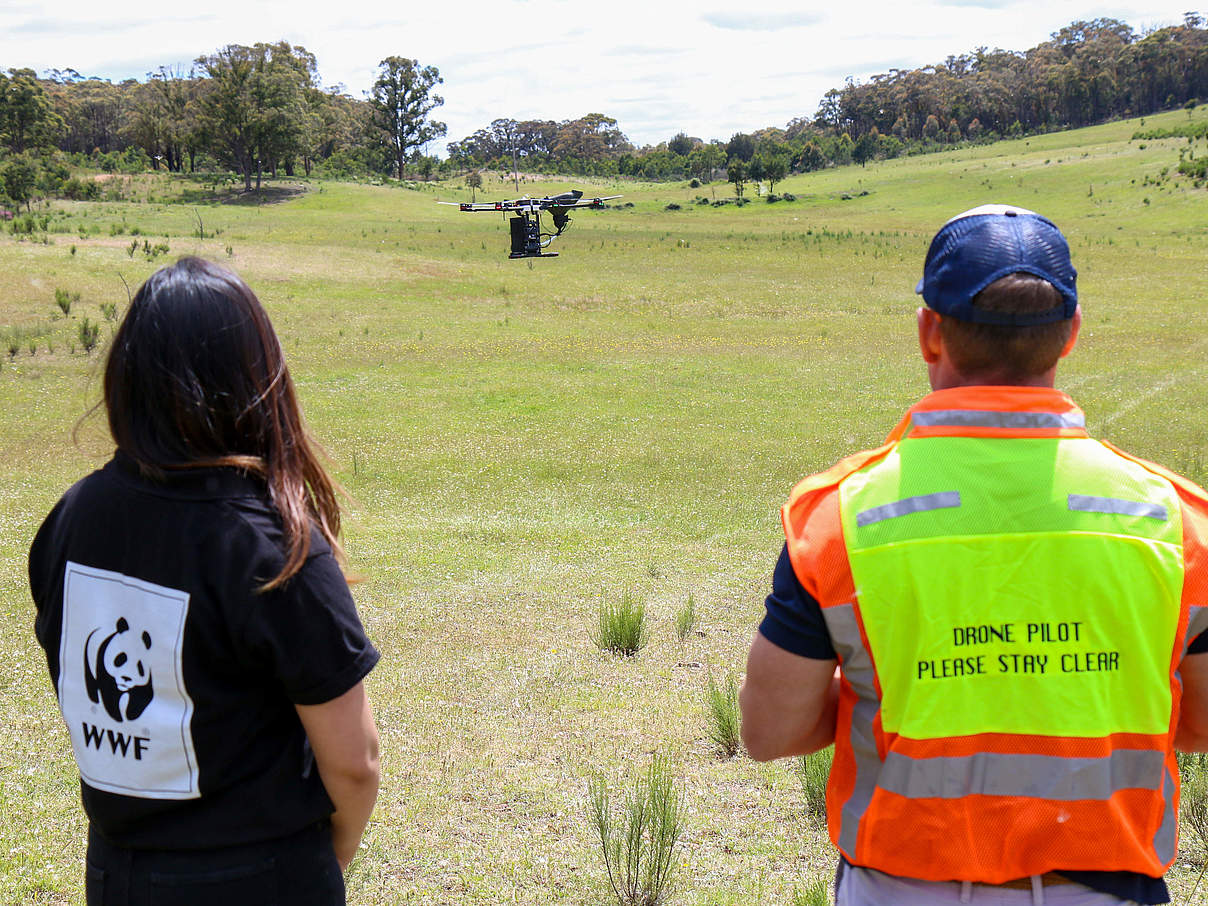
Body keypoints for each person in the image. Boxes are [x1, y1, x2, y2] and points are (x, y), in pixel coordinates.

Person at [739, 204, 1208, 906]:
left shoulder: (837, 518)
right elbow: (1199, 723)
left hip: (899, 887)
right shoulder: (1178, 520)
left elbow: (770, 730)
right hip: (1109, 887)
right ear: (1071, 335)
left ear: (930, 332)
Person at [29, 257, 381, 906]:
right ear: (258, 380)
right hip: (262, 875)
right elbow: (354, 764)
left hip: (117, 873)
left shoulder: (70, 520)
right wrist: (322, 863)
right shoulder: (271, 544)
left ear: (127, 377)